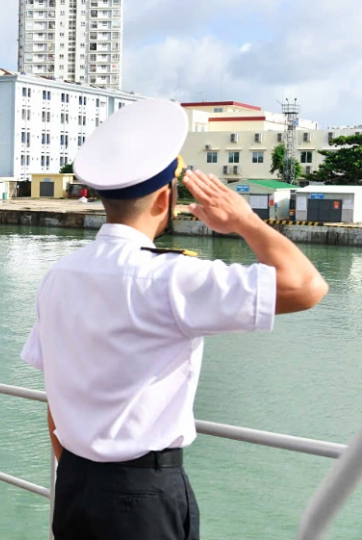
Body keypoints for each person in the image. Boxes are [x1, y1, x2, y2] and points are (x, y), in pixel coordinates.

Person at [21, 99, 329, 540]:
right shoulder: (170, 276)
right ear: (166, 197)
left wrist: (81, 467)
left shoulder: (59, 275)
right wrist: (245, 222)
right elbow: (307, 287)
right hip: (141, 496)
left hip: (74, 482)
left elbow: (55, 391)